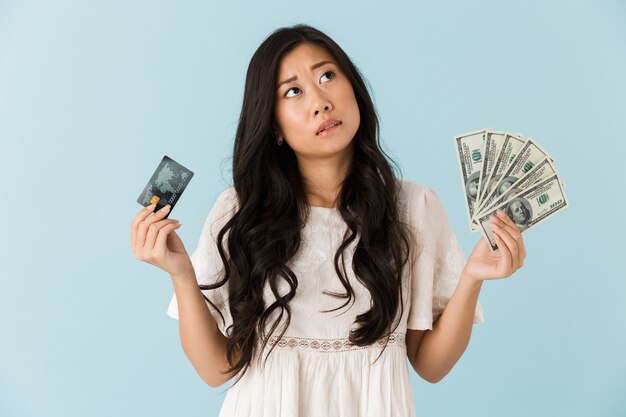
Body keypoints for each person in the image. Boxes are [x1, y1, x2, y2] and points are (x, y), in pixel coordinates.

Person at [130, 24, 527, 417]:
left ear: (352, 87)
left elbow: (431, 365)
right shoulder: (238, 211)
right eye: (293, 91)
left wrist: (472, 278)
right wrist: (181, 274)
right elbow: (215, 370)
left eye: (327, 75)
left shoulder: (415, 207)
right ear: (273, 126)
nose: (319, 101)